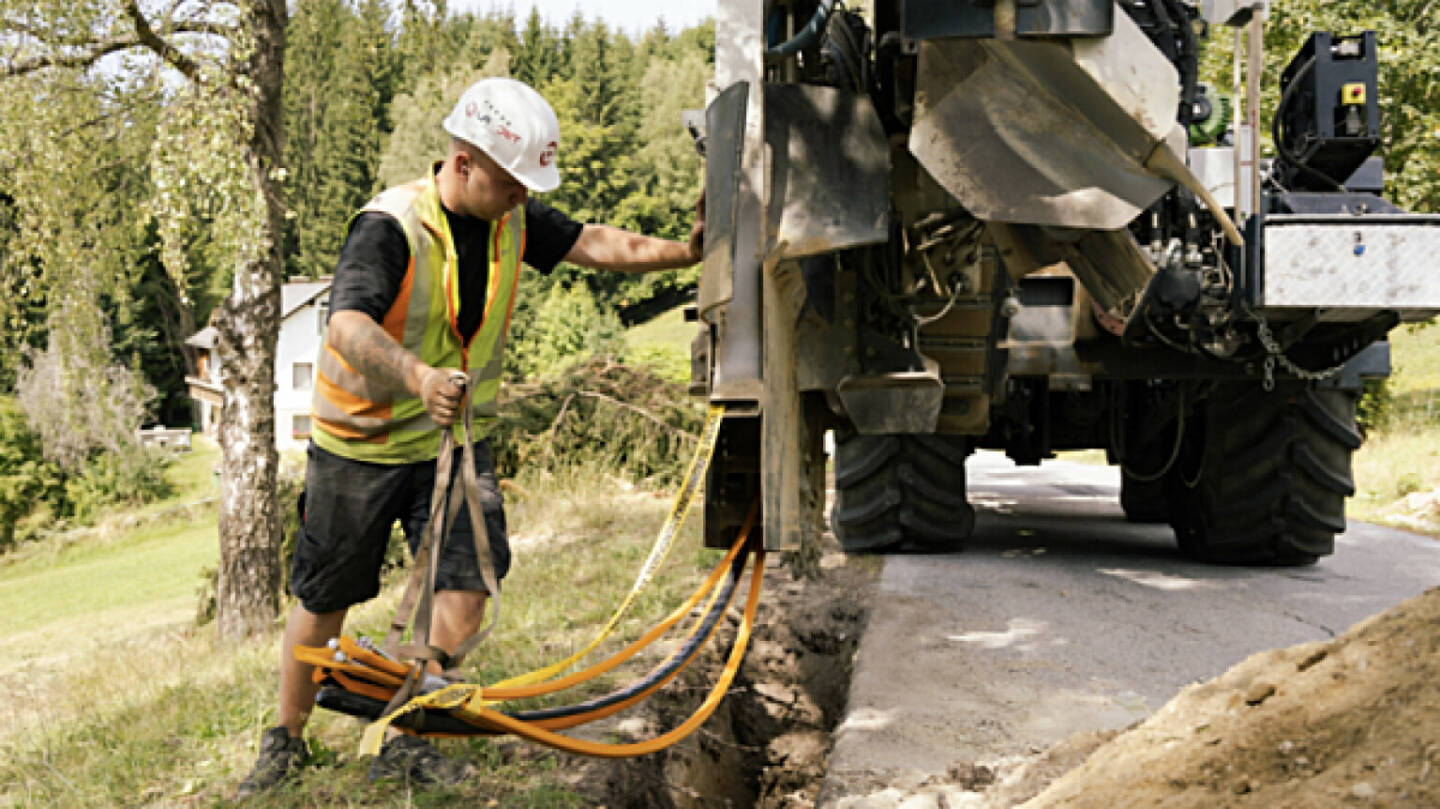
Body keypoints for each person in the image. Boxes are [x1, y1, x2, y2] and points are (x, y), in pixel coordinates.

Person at [238, 77, 703, 797]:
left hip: (452, 442)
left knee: (463, 581)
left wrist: (684, 252)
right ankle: (286, 739)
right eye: (512, 182)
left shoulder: (511, 215)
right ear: (462, 162)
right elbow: (346, 326)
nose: (523, 197)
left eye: (527, 186)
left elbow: (590, 241)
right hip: (361, 444)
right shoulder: (390, 225)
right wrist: (418, 376)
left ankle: (406, 736)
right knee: (327, 593)